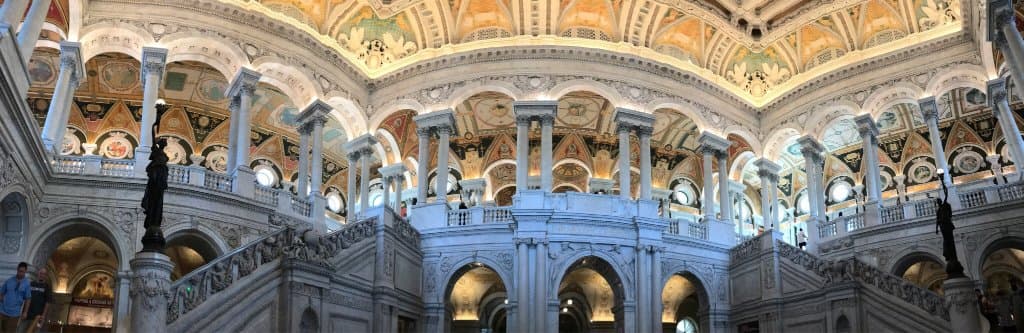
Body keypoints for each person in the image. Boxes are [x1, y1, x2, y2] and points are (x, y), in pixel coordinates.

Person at [0, 262, 31, 333]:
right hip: (2, 311)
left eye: (22, 272)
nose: (20, 273)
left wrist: (25, 312)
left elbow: (28, 299)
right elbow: (1, 292)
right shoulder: (9, 280)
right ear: (17, 269)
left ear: (25, 271)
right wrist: (2, 300)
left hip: (14, 314)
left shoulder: (27, 283)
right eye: (19, 271)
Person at [19, 268, 49, 333]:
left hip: (37, 317)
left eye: (44, 274)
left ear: (46, 276)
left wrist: (43, 316)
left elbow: (47, 303)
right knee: (20, 330)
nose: (42, 275)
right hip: (26, 315)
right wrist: (24, 312)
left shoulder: (47, 287)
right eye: (41, 273)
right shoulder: (31, 284)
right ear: (38, 273)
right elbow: (26, 298)